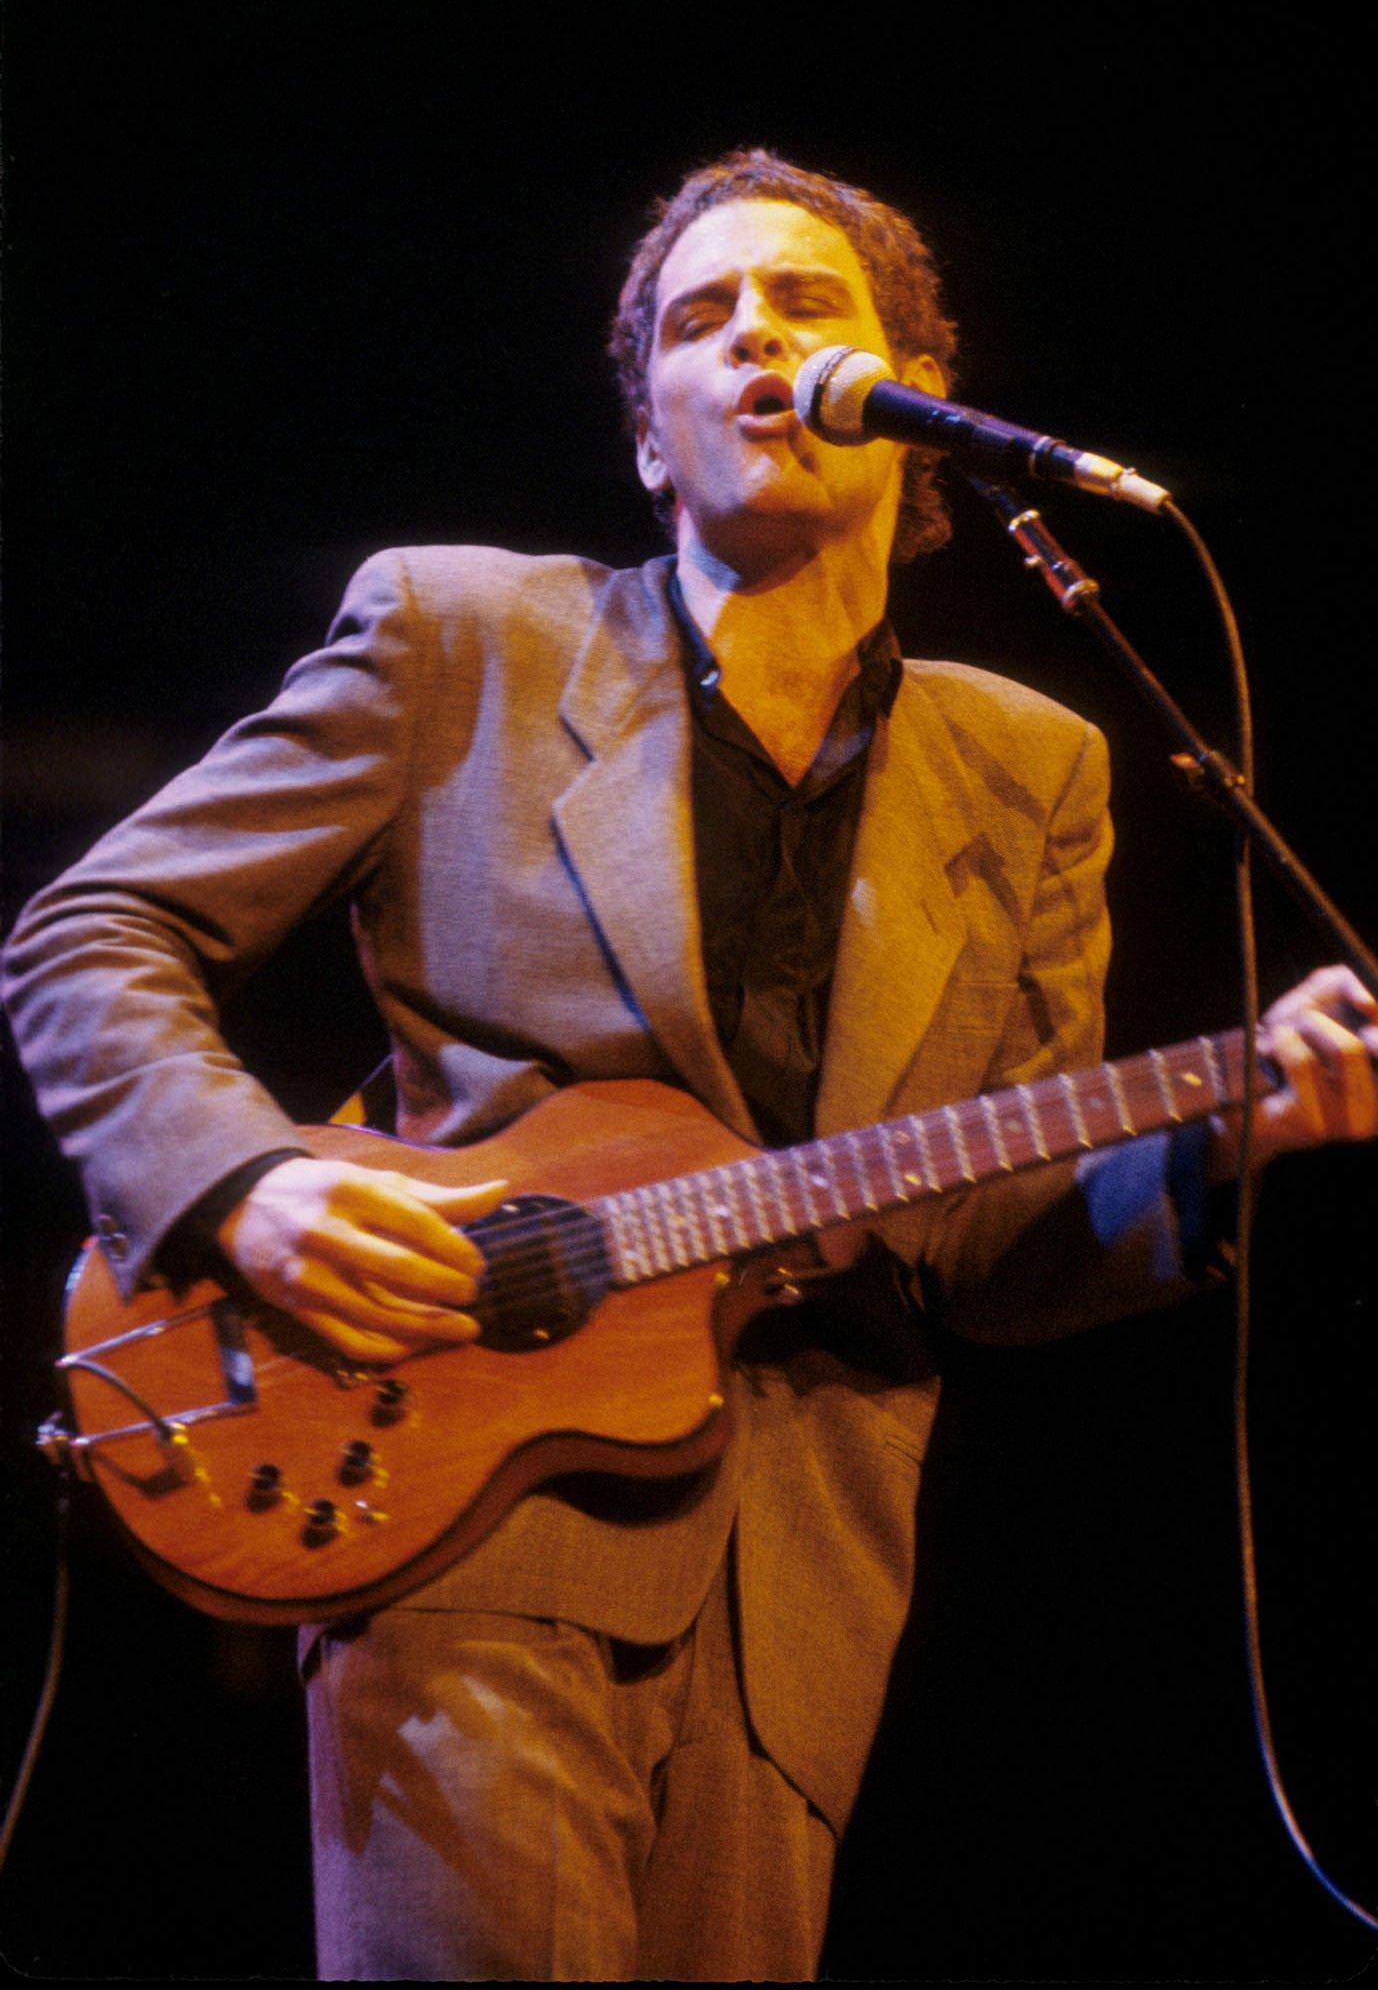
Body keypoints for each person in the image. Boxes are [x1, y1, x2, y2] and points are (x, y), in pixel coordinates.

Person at [5, 149, 1375, 1982]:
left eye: (807, 308)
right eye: (698, 320)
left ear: (912, 407)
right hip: (463, 1504)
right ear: (650, 436)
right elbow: (88, 933)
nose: (754, 343)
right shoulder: (465, 640)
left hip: (797, 1588)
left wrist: (1226, 1147)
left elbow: (990, 1239)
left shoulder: (1030, 762)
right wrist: (245, 1182)